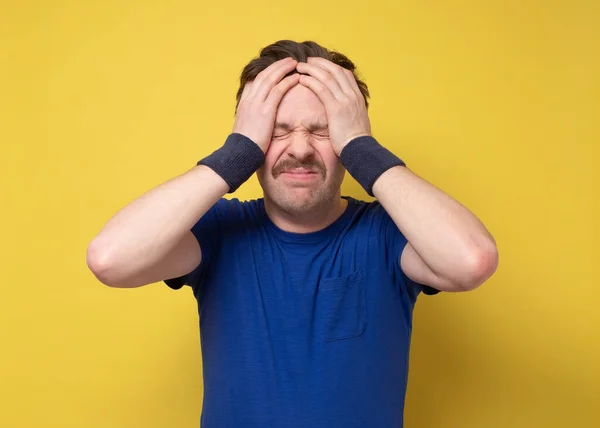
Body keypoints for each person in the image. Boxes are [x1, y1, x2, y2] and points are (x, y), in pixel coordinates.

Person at [87, 40, 499, 428]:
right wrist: (238, 150)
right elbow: (111, 259)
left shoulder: (388, 234)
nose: (300, 149)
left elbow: (470, 261)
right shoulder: (217, 231)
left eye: (321, 131)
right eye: (278, 131)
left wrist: (361, 144)